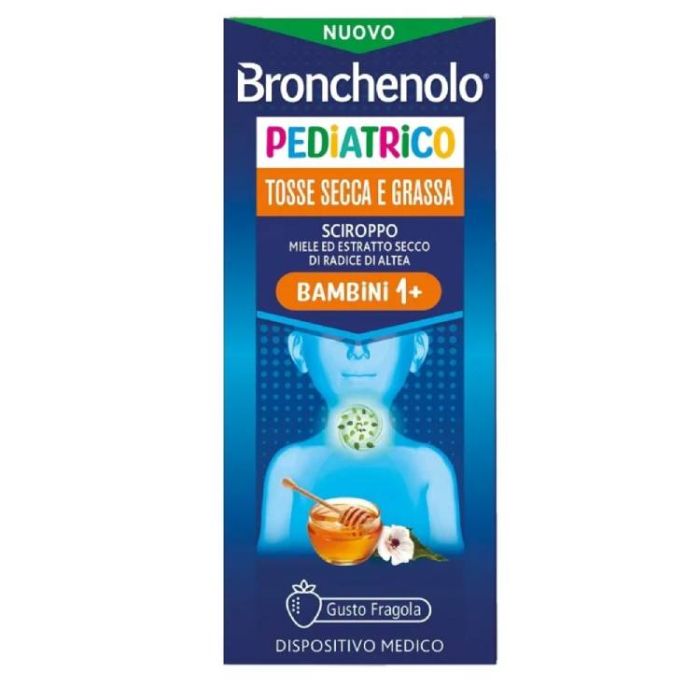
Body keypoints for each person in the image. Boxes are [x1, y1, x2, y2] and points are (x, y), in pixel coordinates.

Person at [258, 330, 464, 554]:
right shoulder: (290, 467)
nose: (358, 351)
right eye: (335, 333)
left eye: (382, 333)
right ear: (299, 349)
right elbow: (270, 563)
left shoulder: (430, 468)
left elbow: (450, 563)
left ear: (418, 348)